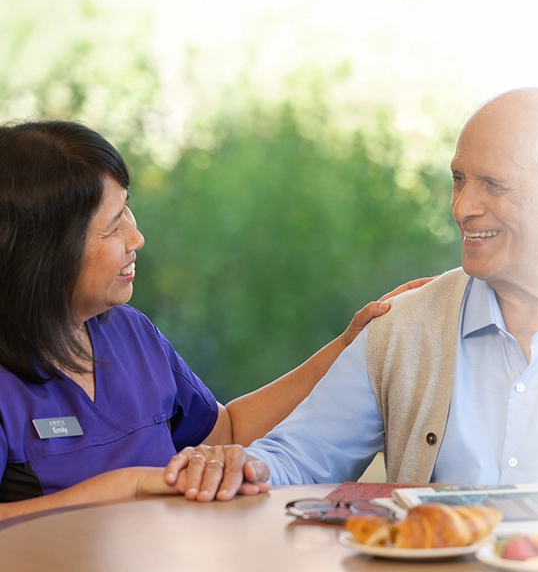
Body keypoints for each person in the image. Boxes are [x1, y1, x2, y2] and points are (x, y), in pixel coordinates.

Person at [0, 119, 430, 521]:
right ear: (45, 252)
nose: (136, 238)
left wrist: (347, 346)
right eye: (113, 227)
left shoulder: (131, 333)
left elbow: (226, 433)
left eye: (127, 211)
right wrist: (127, 486)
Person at [217, 87, 538, 490]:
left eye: (492, 184)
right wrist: (239, 467)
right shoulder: (400, 328)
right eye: (459, 179)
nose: (462, 208)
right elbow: (297, 457)